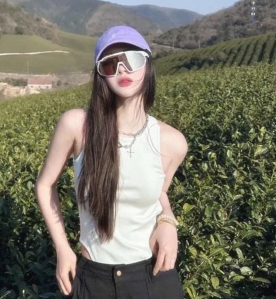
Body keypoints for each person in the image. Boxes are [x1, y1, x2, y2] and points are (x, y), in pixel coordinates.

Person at [36, 25, 188, 298]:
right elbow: (45, 185)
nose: (122, 70)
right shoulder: (78, 125)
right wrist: (62, 248)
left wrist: (167, 222)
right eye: (110, 64)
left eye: (132, 59)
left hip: (152, 276)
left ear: (148, 65)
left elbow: (160, 193)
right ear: (100, 75)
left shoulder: (172, 142)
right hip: (93, 280)